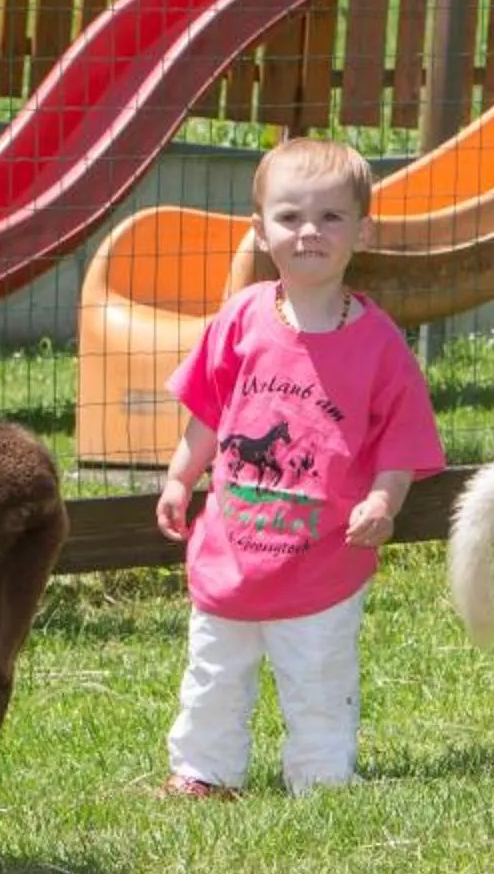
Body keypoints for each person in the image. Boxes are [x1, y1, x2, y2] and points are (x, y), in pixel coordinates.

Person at [157, 136, 444, 798]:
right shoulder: (240, 319)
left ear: (361, 231)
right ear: (260, 230)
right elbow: (208, 407)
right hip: (232, 551)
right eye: (289, 217)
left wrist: (384, 501)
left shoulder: (378, 344)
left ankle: (319, 780)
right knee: (214, 669)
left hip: (322, 563)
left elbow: (401, 438)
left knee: (318, 674)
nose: (308, 231)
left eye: (330, 218)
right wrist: (180, 477)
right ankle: (205, 772)